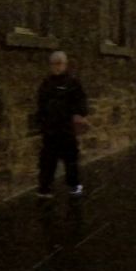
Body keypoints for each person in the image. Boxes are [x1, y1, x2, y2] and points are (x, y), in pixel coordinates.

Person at [35, 51, 88, 198]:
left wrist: (78, 114)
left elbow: (81, 101)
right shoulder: (46, 83)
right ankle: (45, 187)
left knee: (71, 159)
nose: (57, 67)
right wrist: (42, 122)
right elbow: (41, 104)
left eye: (59, 64)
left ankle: (74, 186)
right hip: (50, 129)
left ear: (65, 65)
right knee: (47, 160)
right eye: (54, 64)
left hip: (66, 128)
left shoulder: (72, 83)